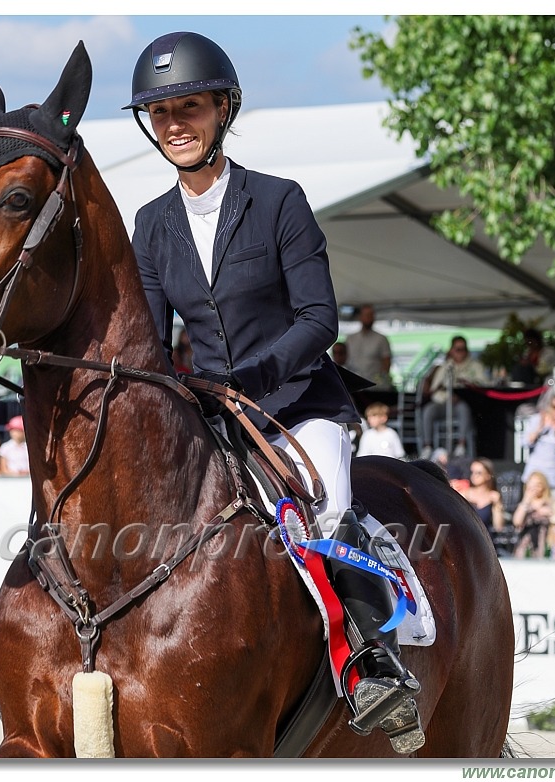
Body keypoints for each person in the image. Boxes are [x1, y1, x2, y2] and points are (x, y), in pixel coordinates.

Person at [124, 31, 423, 752]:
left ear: (223, 109)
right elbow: (149, 337)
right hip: (210, 416)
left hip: (297, 406)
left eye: (188, 107)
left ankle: (367, 666)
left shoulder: (279, 201)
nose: (175, 125)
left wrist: (247, 379)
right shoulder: (151, 224)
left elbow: (320, 318)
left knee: (328, 510)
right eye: (160, 113)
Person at [417, 336, 487, 459]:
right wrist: (447, 397)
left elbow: (484, 384)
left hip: (462, 404)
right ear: (451, 350)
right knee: (429, 410)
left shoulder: (475, 365)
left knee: (464, 409)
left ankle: (461, 445)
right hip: (442, 403)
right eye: (457, 349)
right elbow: (435, 390)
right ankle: (427, 446)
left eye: (463, 349)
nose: (460, 352)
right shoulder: (445, 367)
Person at [520, 394, 555, 498]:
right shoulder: (537, 420)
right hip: (534, 478)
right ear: (550, 407)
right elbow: (524, 443)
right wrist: (540, 428)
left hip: (554, 480)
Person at [344, 304, 393, 389]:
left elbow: (386, 362)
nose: (369, 318)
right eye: (366, 315)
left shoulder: (381, 339)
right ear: (360, 317)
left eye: (371, 315)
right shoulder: (350, 338)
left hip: (374, 386)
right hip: (354, 385)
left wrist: (380, 383)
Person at [511, 471, 553, 559]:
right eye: (532, 484)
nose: (534, 488)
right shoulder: (524, 505)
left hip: (544, 544)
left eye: (538, 484)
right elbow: (517, 522)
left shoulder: (549, 503)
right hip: (525, 546)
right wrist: (526, 501)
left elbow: (554, 518)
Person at [459, 458, 505, 534]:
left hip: (485, 540)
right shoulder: (464, 495)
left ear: (488, 475)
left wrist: (498, 504)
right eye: (472, 472)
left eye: (478, 473)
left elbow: (498, 527)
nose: (474, 475)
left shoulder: (493, 496)